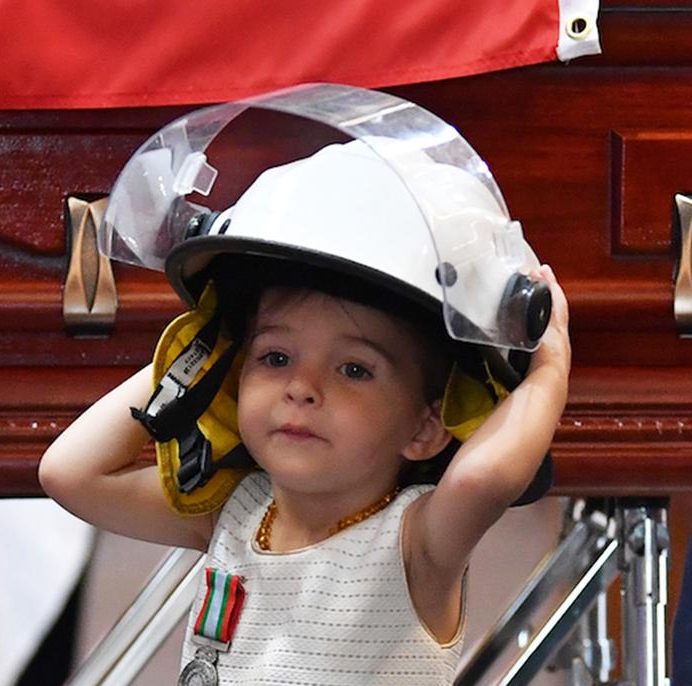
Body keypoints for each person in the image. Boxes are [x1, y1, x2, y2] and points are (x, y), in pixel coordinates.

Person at [38, 84, 571, 684]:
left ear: (426, 426)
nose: (302, 387)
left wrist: (549, 370)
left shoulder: (417, 543)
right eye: (274, 358)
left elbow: (487, 474)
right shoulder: (232, 516)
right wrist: (210, 340)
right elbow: (70, 473)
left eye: (353, 369)